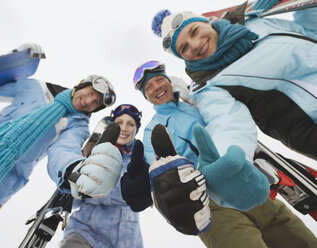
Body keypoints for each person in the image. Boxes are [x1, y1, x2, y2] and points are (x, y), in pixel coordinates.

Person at [122, 60, 317, 247]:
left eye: (159, 80)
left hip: (246, 182)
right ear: (146, 97)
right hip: (209, 203)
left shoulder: (196, 101)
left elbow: (229, 120)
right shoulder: (153, 129)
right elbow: (158, 167)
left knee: (302, 240)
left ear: (168, 80)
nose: (156, 87)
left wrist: (192, 96)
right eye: (148, 87)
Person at [0, 47, 120, 247]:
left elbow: (65, 151)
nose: (88, 102)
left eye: (95, 103)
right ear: (81, 85)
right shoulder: (35, 87)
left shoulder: (76, 125)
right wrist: (12, 59)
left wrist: (74, 169)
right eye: (90, 93)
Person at [151, 1, 317, 161]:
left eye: (194, 31)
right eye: (184, 48)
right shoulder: (209, 86)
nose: (194, 45)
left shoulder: (251, 22)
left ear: (207, 23)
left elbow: (309, 30)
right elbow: (228, 125)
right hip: (309, 126)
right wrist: (225, 163)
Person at [59, 104, 144, 248]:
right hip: (84, 233)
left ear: (136, 130)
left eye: (130, 124)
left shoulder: (140, 160)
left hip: (128, 240)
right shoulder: (94, 154)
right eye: (119, 123)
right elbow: (76, 199)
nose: (124, 128)